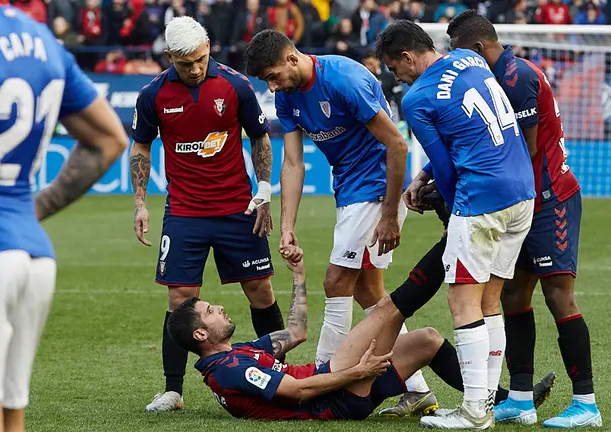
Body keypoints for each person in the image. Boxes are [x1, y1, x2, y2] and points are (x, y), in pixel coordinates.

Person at [0, 0, 129, 430]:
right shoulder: (44, 42)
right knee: (8, 416)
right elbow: (111, 138)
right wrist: (32, 209)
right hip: (31, 254)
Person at [244, 29, 439, 416]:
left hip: (375, 188)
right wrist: (287, 226)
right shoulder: (286, 97)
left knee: (336, 281)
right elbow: (294, 163)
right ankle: (417, 388)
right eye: (265, 80)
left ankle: (324, 378)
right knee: (371, 295)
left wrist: (389, 216)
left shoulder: (343, 79)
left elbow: (397, 145)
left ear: (291, 58)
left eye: (273, 75)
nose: (271, 85)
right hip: (349, 189)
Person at [375, 20, 536, 429]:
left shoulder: (417, 99)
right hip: (522, 193)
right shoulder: (469, 58)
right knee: (489, 302)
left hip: (481, 201)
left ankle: (474, 410)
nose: (398, 77)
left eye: (396, 69)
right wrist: (421, 176)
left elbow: (448, 169)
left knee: (462, 304)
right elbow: (476, 130)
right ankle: (491, 404)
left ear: (408, 57)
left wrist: (445, 207)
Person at [447, 11, 601, 428]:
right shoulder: (501, 77)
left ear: (478, 49)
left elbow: (526, 149)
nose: (455, 63)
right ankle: (519, 398)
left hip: (550, 199)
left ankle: (586, 404)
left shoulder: (516, 79)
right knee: (513, 295)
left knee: (558, 296)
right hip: (522, 201)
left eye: (458, 53)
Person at [130, 16, 285, 413]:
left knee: (261, 292)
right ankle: (173, 391)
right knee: (179, 300)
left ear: (209, 47)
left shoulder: (235, 85)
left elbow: (260, 138)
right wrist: (140, 202)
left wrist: (264, 192)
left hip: (238, 208)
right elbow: (141, 148)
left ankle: (280, 372)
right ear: (169, 58)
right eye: (185, 64)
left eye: (201, 59)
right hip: (184, 212)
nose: (196, 68)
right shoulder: (153, 95)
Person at [167, 235, 461, 421]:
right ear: (201, 334)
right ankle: (454, 235)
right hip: (334, 394)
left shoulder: (237, 352)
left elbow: (296, 332)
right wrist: (359, 372)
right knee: (388, 310)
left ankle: (497, 400)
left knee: (428, 340)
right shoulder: (229, 369)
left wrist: (299, 273)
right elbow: (298, 391)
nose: (218, 308)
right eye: (209, 312)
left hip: (337, 386)